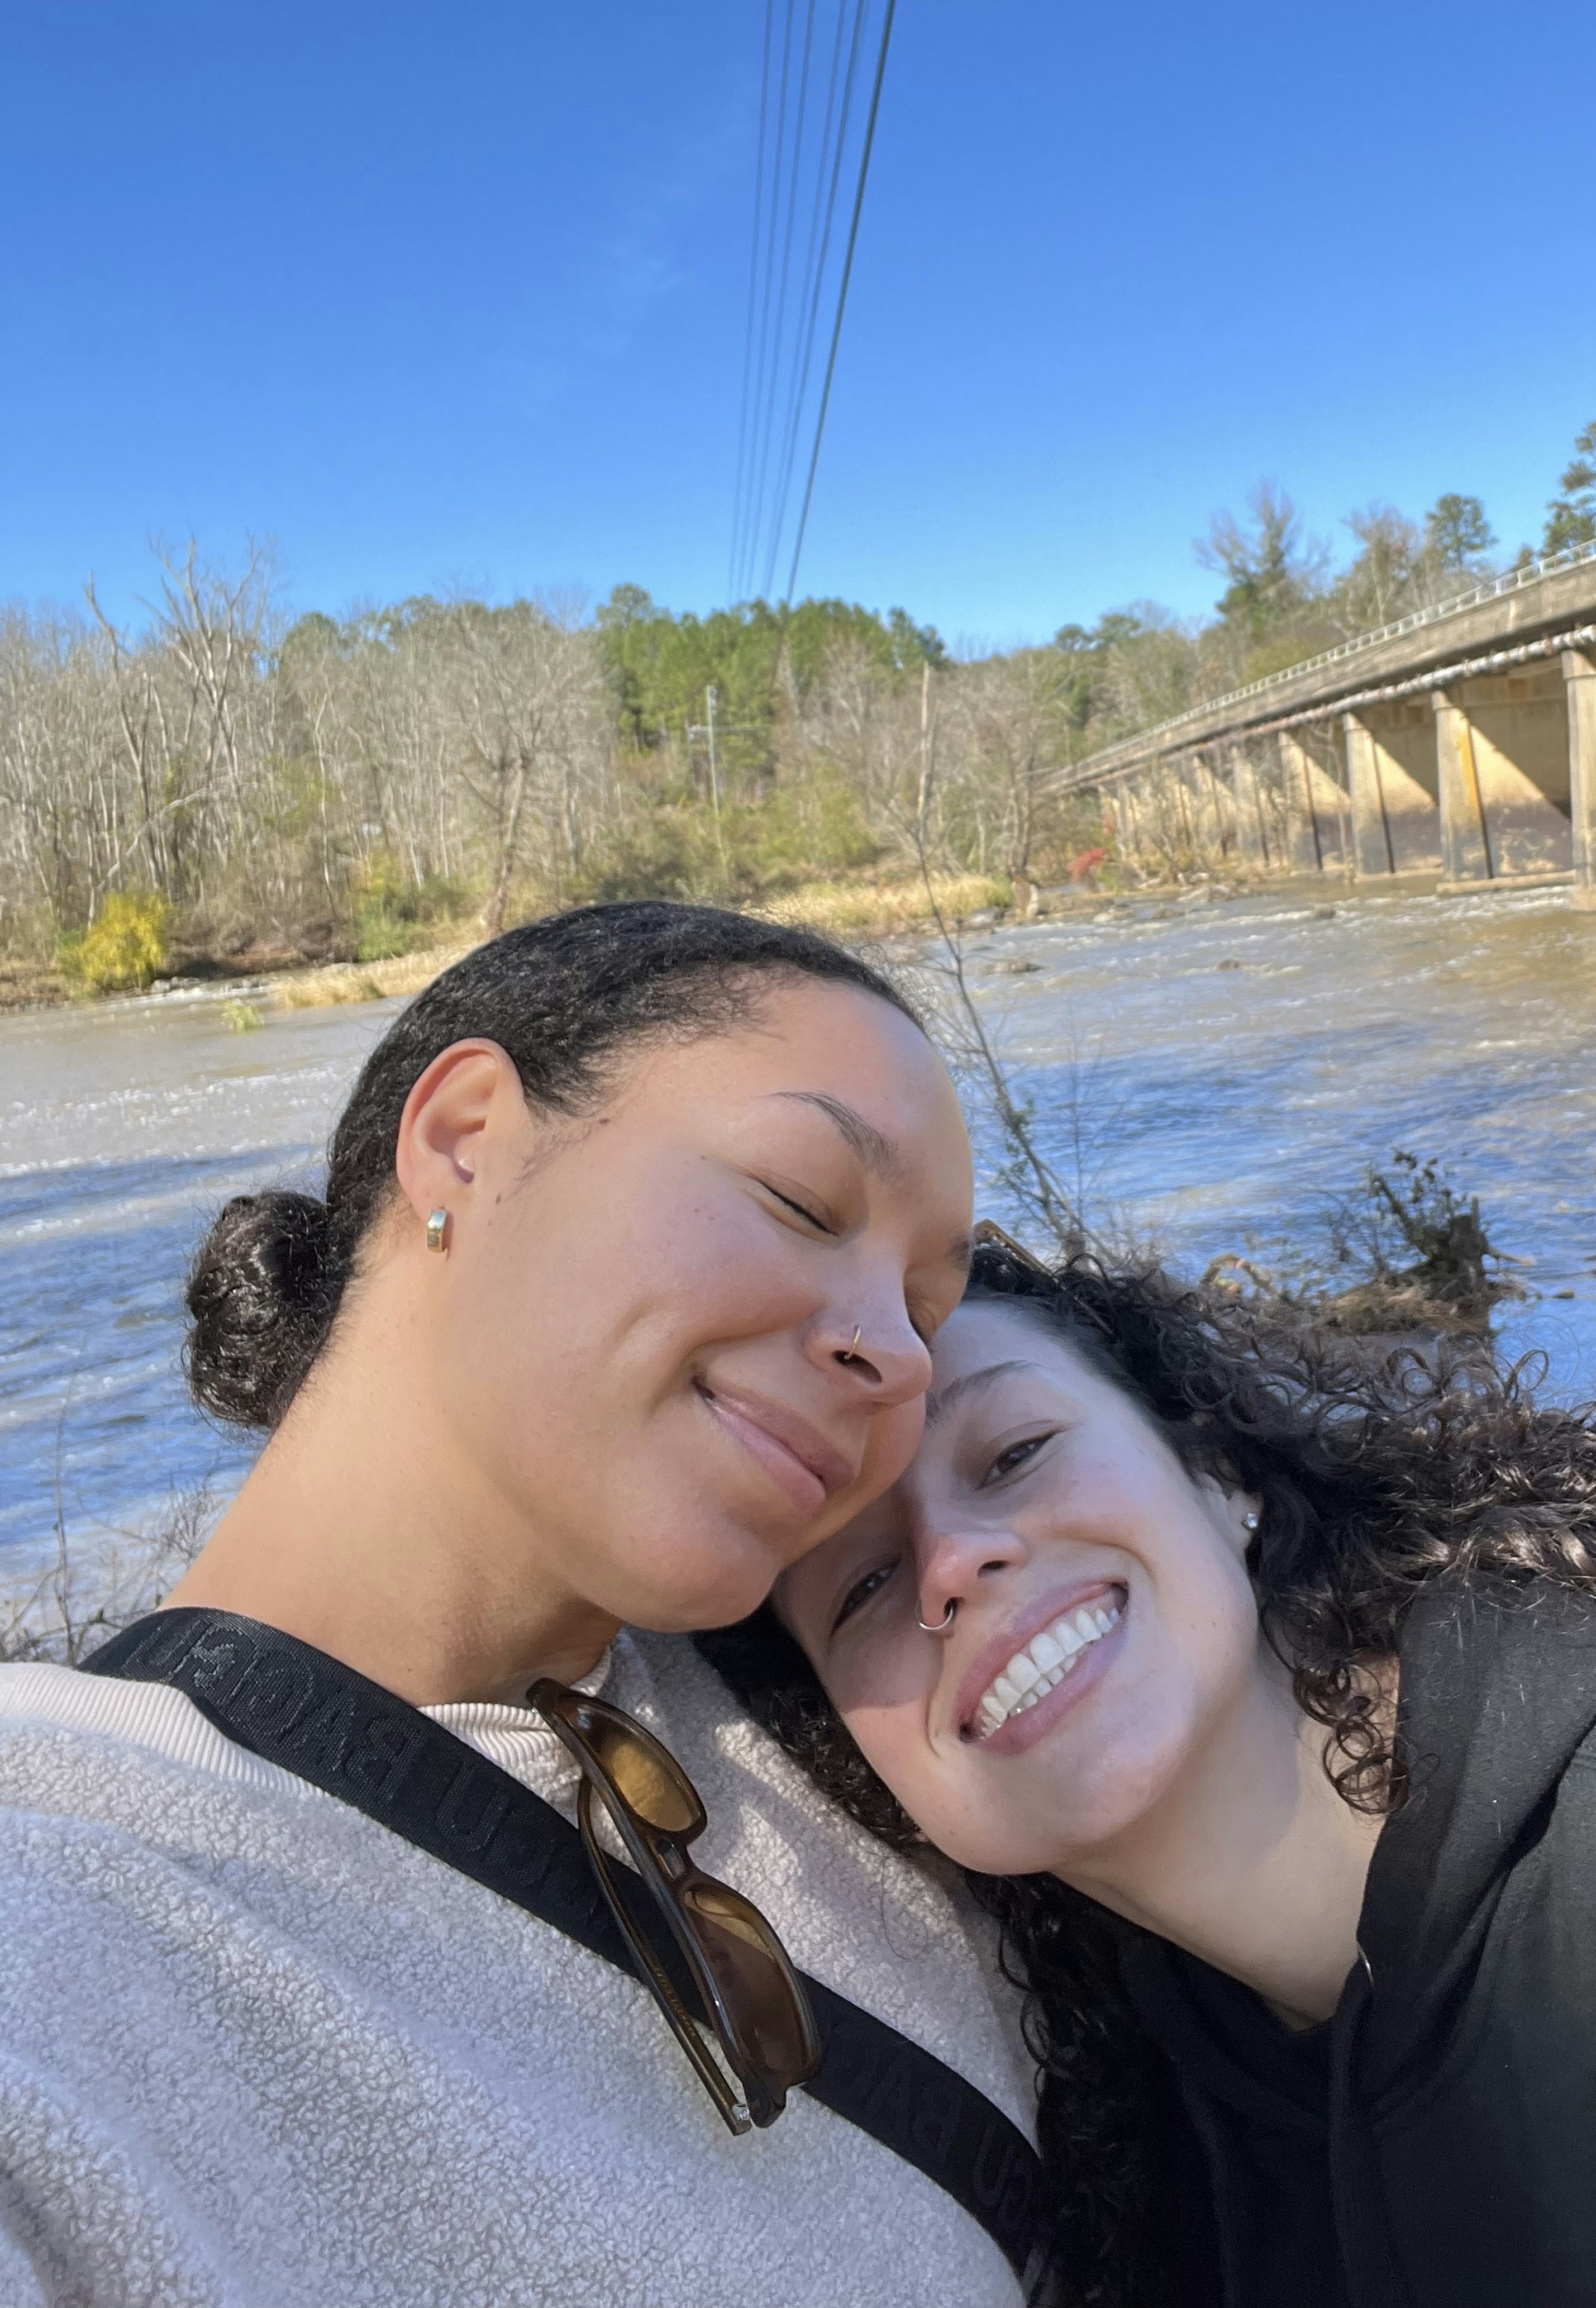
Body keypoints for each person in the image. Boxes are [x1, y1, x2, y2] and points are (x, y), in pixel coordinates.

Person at [716, 1237, 1596, 2308]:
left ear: (1222, 1469)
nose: (955, 1564)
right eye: (858, 1588)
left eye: (1015, 1451)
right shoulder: (1153, 2158)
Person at [0, 903, 1037, 2308]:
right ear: (468, 1136)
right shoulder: (61, 1898)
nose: (898, 1359)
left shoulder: (875, 1680)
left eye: (928, 1306)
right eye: (801, 1200)